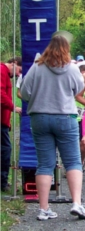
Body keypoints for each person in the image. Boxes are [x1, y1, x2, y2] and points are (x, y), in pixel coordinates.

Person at [20, 35, 85, 220]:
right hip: (65, 117)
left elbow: (25, 92)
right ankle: (76, 203)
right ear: (67, 49)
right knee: (73, 161)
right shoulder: (73, 69)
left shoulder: (37, 67)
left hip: (40, 118)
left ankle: (43, 209)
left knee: (45, 164)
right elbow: (79, 89)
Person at [1, 57, 22, 192]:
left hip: (3, 120)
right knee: (5, 150)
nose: (19, 75)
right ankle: (2, 182)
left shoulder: (5, 74)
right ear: (14, 63)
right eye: (19, 70)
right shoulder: (1, 71)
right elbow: (1, 94)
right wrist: (14, 107)